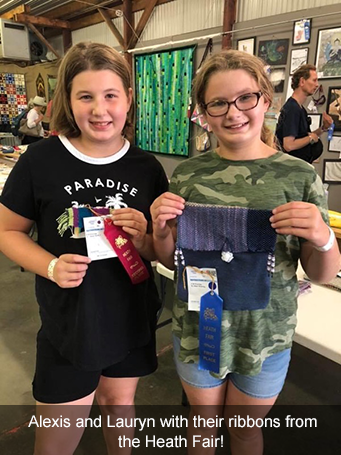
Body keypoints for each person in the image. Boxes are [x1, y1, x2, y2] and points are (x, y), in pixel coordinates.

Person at [151, 50, 340, 455]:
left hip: (266, 336)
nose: (233, 112)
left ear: (265, 100)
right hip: (198, 329)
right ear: (204, 111)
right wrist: (160, 230)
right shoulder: (187, 174)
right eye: (218, 103)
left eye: (245, 98)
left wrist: (323, 236)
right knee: (201, 431)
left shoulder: (299, 175)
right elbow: (171, 261)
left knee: (244, 433)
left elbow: (321, 273)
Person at [0, 42, 168, 455]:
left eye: (111, 95)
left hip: (130, 318)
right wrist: (52, 265)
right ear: (66, 101)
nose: (100, 110)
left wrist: (146, 238)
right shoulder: (41, 161)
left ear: (128, 98)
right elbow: (7, 231)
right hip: (69, 326)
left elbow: (158, 252)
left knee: (119, 403)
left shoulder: (147, 169)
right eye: (86, 96)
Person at [275, 64, 333, 163]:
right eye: (314, 80)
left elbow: (305, 137)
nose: (317, 84)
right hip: (292, 170)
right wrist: (311, 138)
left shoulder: (300, 108)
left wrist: (323, 128)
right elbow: (289, 145)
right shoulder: (292, 109)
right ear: (302, 81)